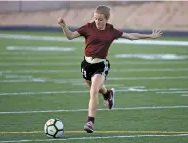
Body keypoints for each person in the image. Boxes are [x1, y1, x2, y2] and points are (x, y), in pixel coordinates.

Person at [58, 5, 162, 133]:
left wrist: (149, 36)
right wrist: (64, 26)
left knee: (94, 91)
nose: (97, 22)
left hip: (101, 66)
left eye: (100, 19)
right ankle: (108, 94)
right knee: (96, 89)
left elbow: (131, 36)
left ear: (107, 19)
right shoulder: (88, 27)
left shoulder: (111, 31)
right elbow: (70, 36)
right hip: (86, 65)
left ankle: (90, 122)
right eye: (95, 18)